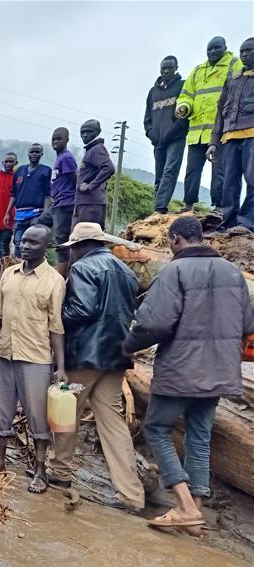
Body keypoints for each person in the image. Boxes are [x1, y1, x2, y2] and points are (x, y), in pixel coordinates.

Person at [123, 216, 252, 533]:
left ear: (175, 239)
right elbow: (248, 324)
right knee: (199, 435)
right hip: (219, 371)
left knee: (156, 429)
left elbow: (153, 322)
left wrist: (127, 346)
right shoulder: (232, 273)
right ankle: (195, 513)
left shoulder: (175, 271)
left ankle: (183, 506)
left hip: (181, 371)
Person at [49, 222, 145, 512]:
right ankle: (131, 494)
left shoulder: (82, 268)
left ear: (81, 246)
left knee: (65, 411)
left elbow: (82, 309)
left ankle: (60, 471)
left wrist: (53, 315)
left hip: (85, 355)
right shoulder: (126, 271)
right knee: (112, 421)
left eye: (73, 248)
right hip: (116, 356)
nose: (71, 254)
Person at [0, 225, 66, 493]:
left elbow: (56, 326)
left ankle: (40, 470)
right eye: (23, 241)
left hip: (36, 357)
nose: (24, 246)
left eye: (32, 243)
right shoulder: (9, 273)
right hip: (5, 353)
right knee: (1, 410)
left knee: (37, 416)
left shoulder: (54, 281)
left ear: (47, 248)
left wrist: (61, 365)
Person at [177, 36, 242, 211]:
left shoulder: (234, 64)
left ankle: (218, 208)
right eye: (209, 49)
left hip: (220, 131)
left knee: (219, 172)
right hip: (197, 132)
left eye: (216, 48)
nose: (212, 51)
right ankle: (188, 206)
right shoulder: (198, 70)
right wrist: (184, 107)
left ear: (225, 48)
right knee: (192, 171)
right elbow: (186, 95)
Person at [208, 37, 254, 231]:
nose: (244, 54)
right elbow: (220, 110)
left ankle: (247, 223)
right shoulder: (233, 80)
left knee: (253, 179)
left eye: (249, 50)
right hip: (229, 137)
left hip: (251, 136)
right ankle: (227, 222)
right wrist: (213, 142)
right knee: (229, 183)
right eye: (242, 51)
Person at [144, 56, 189, 214]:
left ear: (176, 68)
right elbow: (147, 119)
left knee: (170, 171)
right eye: (164, 68)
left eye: (170, 68)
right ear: (160, 69)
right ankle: (158, 208)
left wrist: (171, 132)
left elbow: (184, 116)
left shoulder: (183, 86)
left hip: (175, 139)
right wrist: (151, 134)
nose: (167, 71)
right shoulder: (153, 92)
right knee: (159, 174)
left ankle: (160, 207)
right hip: (158, 141)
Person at [5, 143, 52, 257]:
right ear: (28, 154)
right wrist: (7, 212)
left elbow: (47, 195)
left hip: (36, 214)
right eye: (32, 152)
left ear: (41, 154)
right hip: (20, 215)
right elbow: (14, 193)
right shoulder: (19, 171)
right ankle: (19, 266)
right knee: (18, 244)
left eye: (37, 152)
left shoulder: (46, 171)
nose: (34, 154)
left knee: (34, 244)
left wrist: (44, 215)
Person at [45, 127, 79, 276]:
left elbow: (75, 180)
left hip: (66, 204)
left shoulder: (66, 158)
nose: (55, 142)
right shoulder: (59, 158)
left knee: (62, 241)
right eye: (53, 139)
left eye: (59, 139)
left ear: (67, 140)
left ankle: (61, 277)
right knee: (40, 223)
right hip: (57, 203)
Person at [74, 120, 115, 228]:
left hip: (90, 204)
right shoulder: (91, 150)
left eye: (89, 131)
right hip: (86, 202)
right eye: (82, 132)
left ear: (98, 132)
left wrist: (90, 186)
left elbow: (109, 168)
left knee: (85, 234)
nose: (85, 135)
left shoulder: (97, 149)